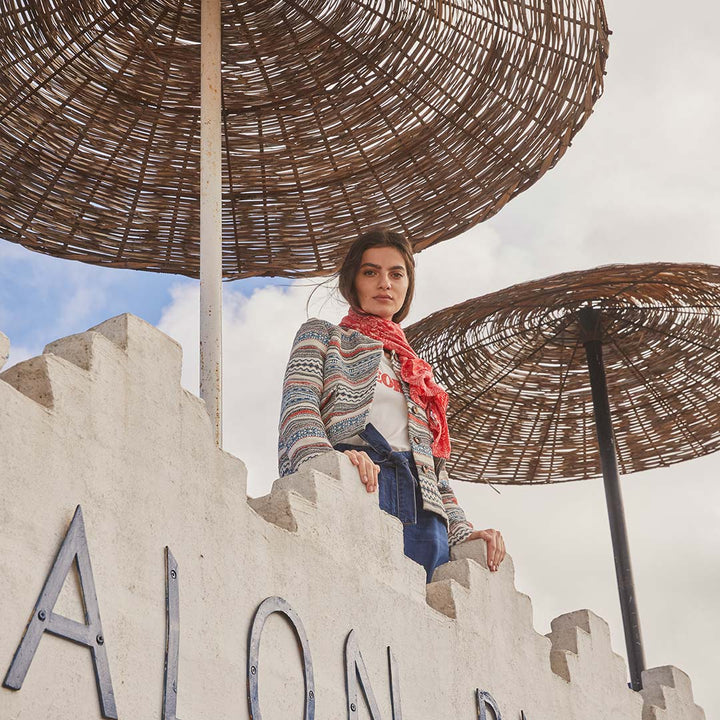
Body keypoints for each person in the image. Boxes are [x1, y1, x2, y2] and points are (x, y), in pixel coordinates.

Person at [278, 228, 505, 581]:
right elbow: (299, 410)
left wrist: (462, 530)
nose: (384, 283)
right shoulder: (324, 336)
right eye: (371, 272)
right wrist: (329, 460)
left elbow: (435, 470)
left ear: (407, 286)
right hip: (360, 480)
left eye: (396, 274)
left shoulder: (415, 370)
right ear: (353, 282)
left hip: (424, 508)